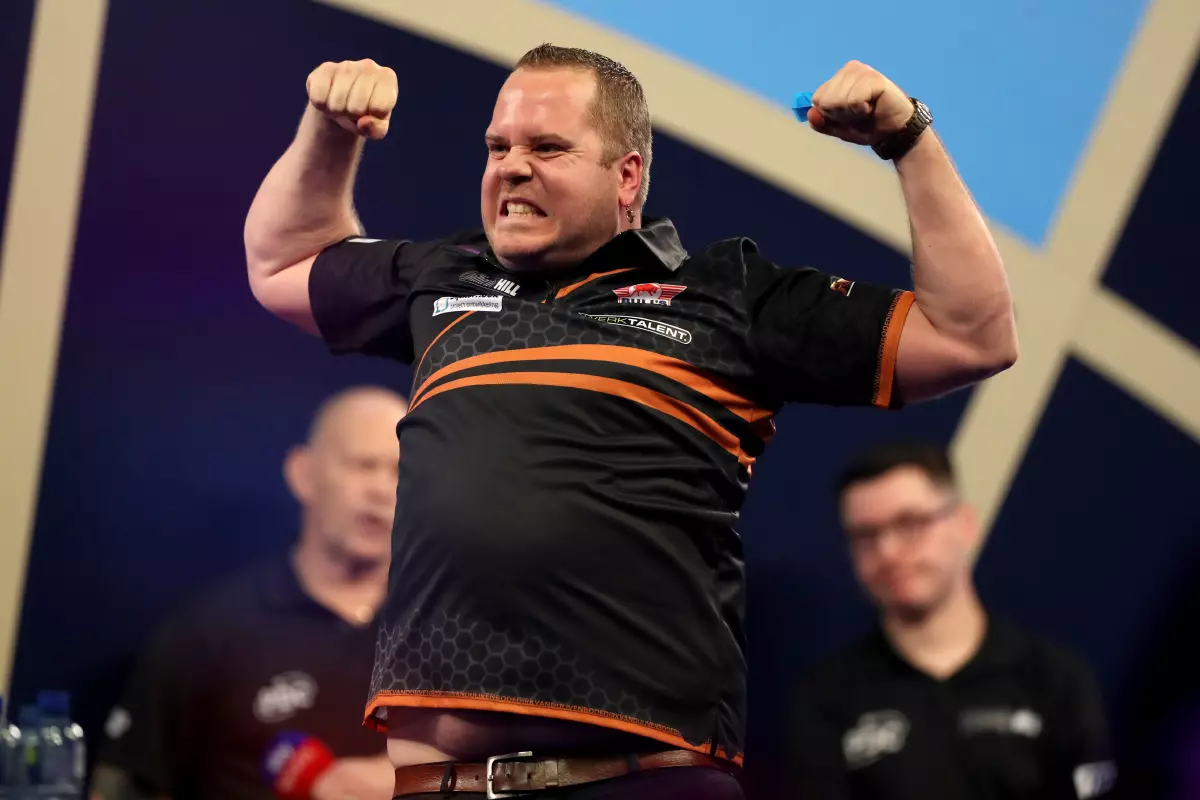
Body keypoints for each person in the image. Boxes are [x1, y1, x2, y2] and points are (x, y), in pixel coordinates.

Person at [243, 44, 1018, 799]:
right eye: (497, 145)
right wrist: (329, 131)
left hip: (635, 782)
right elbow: (280, 263)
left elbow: (971, 333)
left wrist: (907, 138)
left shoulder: (729, 297)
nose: (511, 166)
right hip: (429, 785)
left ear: (627, 175)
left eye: (547, 147)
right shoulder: (446, 275)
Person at [90, 386, 409, 800]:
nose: (382, 490)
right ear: (304, 474)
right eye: (363, 465)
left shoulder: (444, 632)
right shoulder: (211, 630)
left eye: (401, 471)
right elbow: (122, 787)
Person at [787, 440, 1116, 799]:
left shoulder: (1053, 680)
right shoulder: (828, 699)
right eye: (865, 536)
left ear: (965, 524)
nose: (888, 551)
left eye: (910, 523)